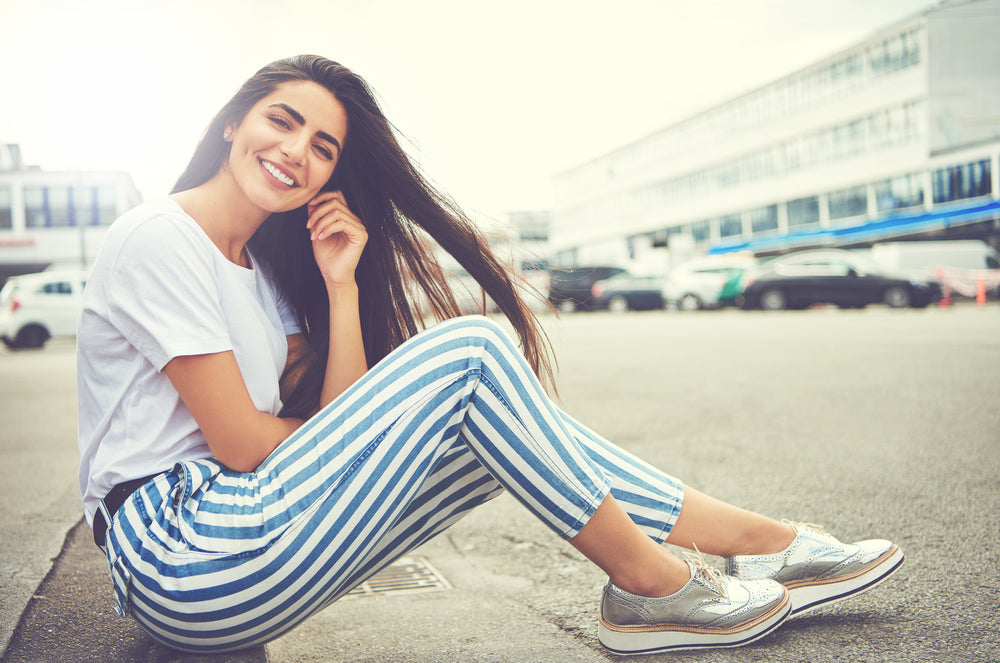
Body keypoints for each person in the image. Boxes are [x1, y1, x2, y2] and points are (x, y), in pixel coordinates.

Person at [76, 55, 903, 656]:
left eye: (323, 147)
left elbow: (335, 424)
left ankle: (761, 541)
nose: (297, 152)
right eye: (282, 122)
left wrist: (340, 288)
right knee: (472, 352)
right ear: (234, 121)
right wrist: (388, 423)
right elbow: (244, 443)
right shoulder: (161, 237)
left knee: (495, 433)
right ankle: (656, 586)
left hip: (243, 538)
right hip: (185, 555)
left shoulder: (259, 274)